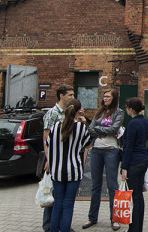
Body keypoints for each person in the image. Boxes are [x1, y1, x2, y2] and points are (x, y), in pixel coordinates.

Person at [46, 98, 91, 232]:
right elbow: (88, 144)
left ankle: (54, 229)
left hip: (56, 170)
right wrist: (84, 122)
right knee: (68, 204)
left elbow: (48, 144)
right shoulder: (81, 128)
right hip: (74, 170)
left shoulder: (55, 127)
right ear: (78, 111)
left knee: (57, 203)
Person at [83, 88, 125, 231]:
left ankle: (115, 219)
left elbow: (114, 130)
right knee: (95, 185)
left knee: (112, 185)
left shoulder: (118, 112)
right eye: (104, 96)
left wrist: (98, 129)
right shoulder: (99, 111)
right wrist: (102, 129)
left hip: (111, 151)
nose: (105, 98)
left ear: (114, 98)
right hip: (96, 150)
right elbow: (90, 129)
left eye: (108, 96)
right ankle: (92, 218)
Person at [121, 97, 148, 232]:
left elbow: (128, 147)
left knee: (135, 196)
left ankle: (134, 229)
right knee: (138, 196)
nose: (126, 110)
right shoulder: (145, 121)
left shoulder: (132, 124)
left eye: (127, 107)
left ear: (131, 109)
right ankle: (137, 227)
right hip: (142, 161)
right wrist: (146, 151)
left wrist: (123, 167)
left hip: (133, 163)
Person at [42, 84, 75, 232]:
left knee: (61, 196)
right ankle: (48, 225)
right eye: (70, 95)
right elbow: (45, 139)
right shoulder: (52, 114)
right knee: (53, 193)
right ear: (61, 96)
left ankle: (63, 224)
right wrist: (49, 160)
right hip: (55, 160)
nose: (72, 98)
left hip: (65, 159)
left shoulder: (68, 113)